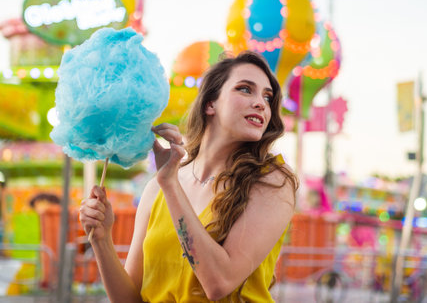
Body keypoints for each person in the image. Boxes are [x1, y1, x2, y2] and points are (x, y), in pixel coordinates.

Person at [79, 51, 299, 302]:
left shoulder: (272, 182)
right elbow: (130, 299)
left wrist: (170, 185)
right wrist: (102, 240)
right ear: (210, 103)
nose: (261, 103)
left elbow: (218, 283)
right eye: (245, 89)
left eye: (267, 96)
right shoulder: (157, 187)